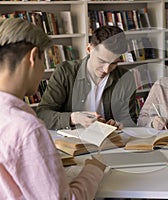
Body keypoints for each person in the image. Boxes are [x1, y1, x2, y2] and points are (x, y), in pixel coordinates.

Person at [0, 18, 106, 199]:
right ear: (33, 57)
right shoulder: (27, 128)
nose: (43, 71)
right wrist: (95, 168)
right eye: (44, 61)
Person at [36, 25, 138, 130]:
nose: (106, 70)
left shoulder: (126, 78)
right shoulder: (65, 72)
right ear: (89, 49)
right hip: (71, 141)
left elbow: (130, 118)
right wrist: (73, 118)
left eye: (114, 63)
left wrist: (120, 124)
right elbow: (42, 114)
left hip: (110, 143)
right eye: (102, 61)